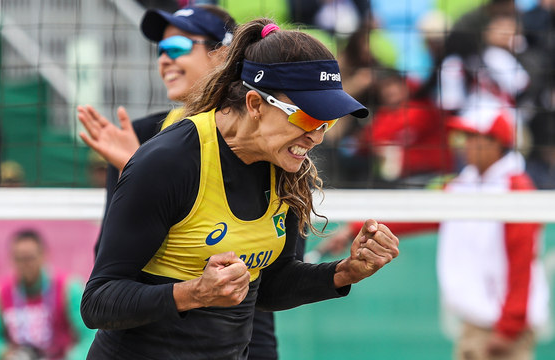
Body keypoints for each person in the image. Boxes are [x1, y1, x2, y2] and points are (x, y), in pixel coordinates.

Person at [80, 18, 400, 359]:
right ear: (255, 104)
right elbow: (99, 301)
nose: (316, 137)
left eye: (328, 122)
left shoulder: (290, 169)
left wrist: (345, 272)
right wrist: (195, 293)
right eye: (307, 119)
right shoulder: (170, 162)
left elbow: (270, 286)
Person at [80, 6, 290, 360]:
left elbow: (265, 286)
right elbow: (108, 272)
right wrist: (139, 169)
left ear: (224, 54)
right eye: (160, 50)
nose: (164, 59)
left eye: (177, 47)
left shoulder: (271, 141)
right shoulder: (145, 140)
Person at [319, 109, 550, 360]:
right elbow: (420, 215)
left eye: (472, 137)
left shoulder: (515, 189)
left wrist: (509, 328)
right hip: (479, 321)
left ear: (494, 143)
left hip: (502, 327)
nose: (464, 145)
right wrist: (356, 228)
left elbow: (521, 263)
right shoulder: (466, 184)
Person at [0, 229, 95, 360]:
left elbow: (89, 335)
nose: (25, 265)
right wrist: (5, 353)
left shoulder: (68, 288)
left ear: (43, 255)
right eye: (19, 259)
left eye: (29, 258)